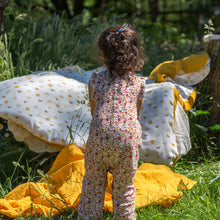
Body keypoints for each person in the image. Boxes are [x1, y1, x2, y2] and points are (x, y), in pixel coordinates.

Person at [78, 23, 145, 220]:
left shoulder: (95, 80)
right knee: (124, 188)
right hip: (127, 142)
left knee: (92, 184)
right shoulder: (139, 83)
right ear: (134, 55)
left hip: (99, 140)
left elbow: (94, 113)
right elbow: (136, 116)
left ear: (104, 55)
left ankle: (89, 216)